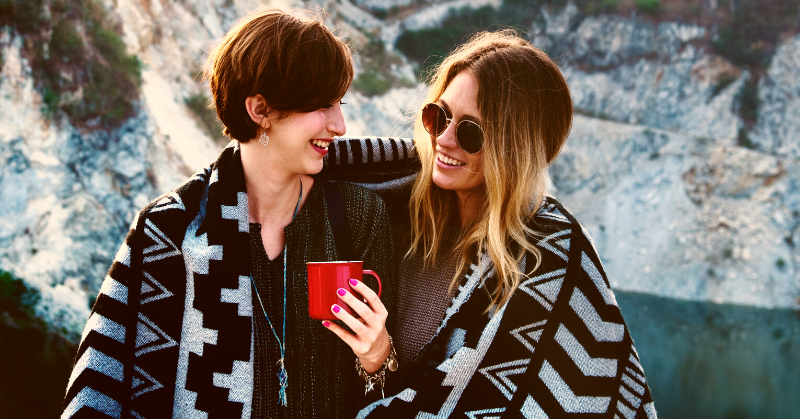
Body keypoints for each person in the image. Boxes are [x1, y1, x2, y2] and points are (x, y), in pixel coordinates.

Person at [61, 9, 394, 418]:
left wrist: (379, 354)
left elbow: (389, 393)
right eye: (322, 106)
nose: (340, 125)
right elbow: (106, 384)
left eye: (340, 104)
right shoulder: (170, 230)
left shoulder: (358, 217)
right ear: (260, 110)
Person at [321, 30, 657, 418]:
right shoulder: (389, 215)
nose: (444, 139)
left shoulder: (551, 262)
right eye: (438, 115)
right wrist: (378, 358)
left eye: (469, 132)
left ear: (513, 147)